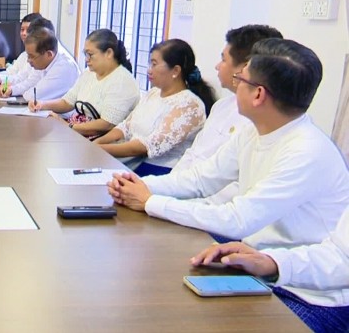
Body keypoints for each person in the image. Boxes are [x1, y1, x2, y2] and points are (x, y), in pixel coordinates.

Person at [107, 39, 349, 252]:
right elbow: (202, 179)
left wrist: (150, 201)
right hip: (254, 258)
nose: (236, 86)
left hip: (292, 281)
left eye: (240, 79)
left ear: (258, 95)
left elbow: (238, 219)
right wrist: (137, 185)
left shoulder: (306, 152)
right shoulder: (253, 132)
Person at [190, 213, 349, 333]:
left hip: (315, 298)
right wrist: (270, 262)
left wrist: (273, 263)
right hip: (283, 273)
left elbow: (239, 218)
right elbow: (340, 253)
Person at [94, 38, 214, 176]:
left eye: (154, 64)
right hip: (134, 161)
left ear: (175, 70)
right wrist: (97, 143)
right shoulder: (153, 93)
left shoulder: (189, 104)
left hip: (160, 171)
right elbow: (126, 127)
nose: (149, 70)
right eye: (150, 63)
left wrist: (100, 149)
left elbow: (148, 146)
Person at [173, 24, 283, 172]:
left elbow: (225, 177)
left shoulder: (259, 121)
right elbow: (193, 154)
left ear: (246, 68)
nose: (217, 66)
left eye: (223, 60)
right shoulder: (221, 106)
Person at [29, 29, 139, 139]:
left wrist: (69, 126)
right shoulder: (89, 73)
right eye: (85, 54)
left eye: (90, 54)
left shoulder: (122, 81)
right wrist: (42, 104)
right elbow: (67, 102)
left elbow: (107, 124)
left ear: (109, 53)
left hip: (103, 142)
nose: (86, 59)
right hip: (79, 132)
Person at [0, 17, 80, 99]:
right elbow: (31, 81)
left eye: (31, 56)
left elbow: (34, 95)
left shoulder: (64, 66)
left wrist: (14, 89)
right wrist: (12, 90)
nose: (28, 60)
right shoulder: (43, 57)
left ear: (49, 54)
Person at [0, 12, 42, 82]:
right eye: (22, 29)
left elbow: (21, 79)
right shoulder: (23, 55)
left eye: (28, 30)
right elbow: (10, 72)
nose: (24, 33)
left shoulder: (39, 57)